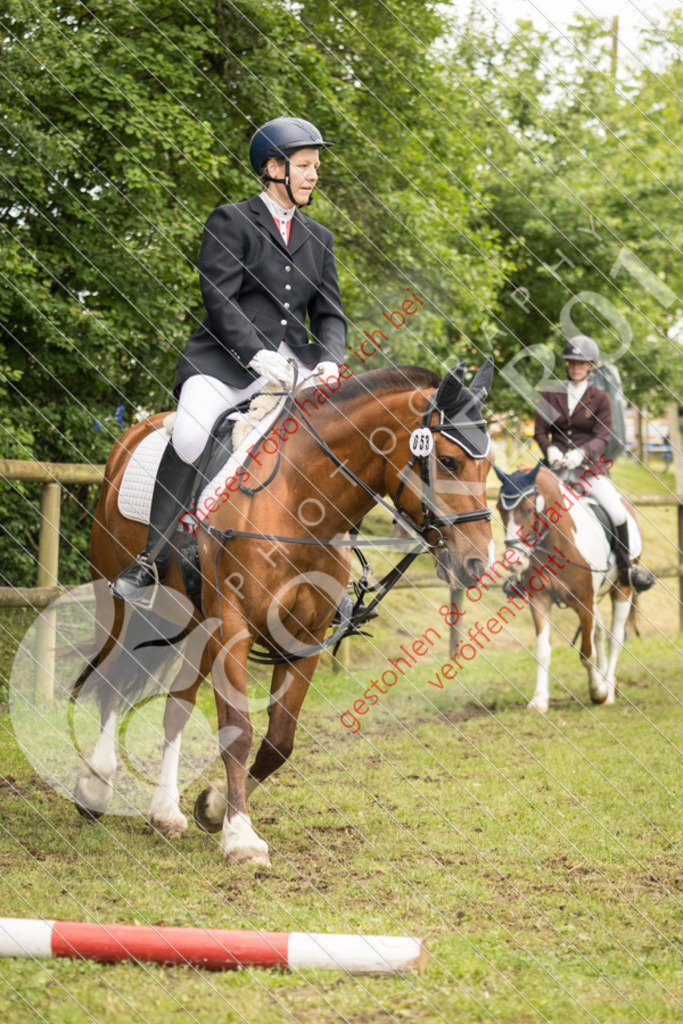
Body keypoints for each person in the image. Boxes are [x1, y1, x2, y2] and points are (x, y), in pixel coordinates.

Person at [112, 116, 347, 603]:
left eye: (315, 166)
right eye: (304, 166)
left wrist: (331, 360)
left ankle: (336, 570)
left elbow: (329, 313)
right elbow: (219, 297)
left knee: (338, 438)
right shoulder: (231, 220)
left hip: (294, 366)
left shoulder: (319, 238)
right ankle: (151, 559)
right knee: (191, 433)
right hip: (225, 360)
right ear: (273, 168)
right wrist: (255, 352)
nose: (314, 175)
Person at [534, 335, 653, 591]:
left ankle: (626, 569)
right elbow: (541, 430)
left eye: (582, 362)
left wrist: (582, 452)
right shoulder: (551, 394)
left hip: (588, 470)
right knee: (527, 505)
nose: (576, 367)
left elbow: (603, 436)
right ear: (566, 364)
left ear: (591, 366)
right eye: (572, 362)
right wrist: (550, 448)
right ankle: (524, 570)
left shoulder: (600, 398)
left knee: (618, 512)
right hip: (555, 470)